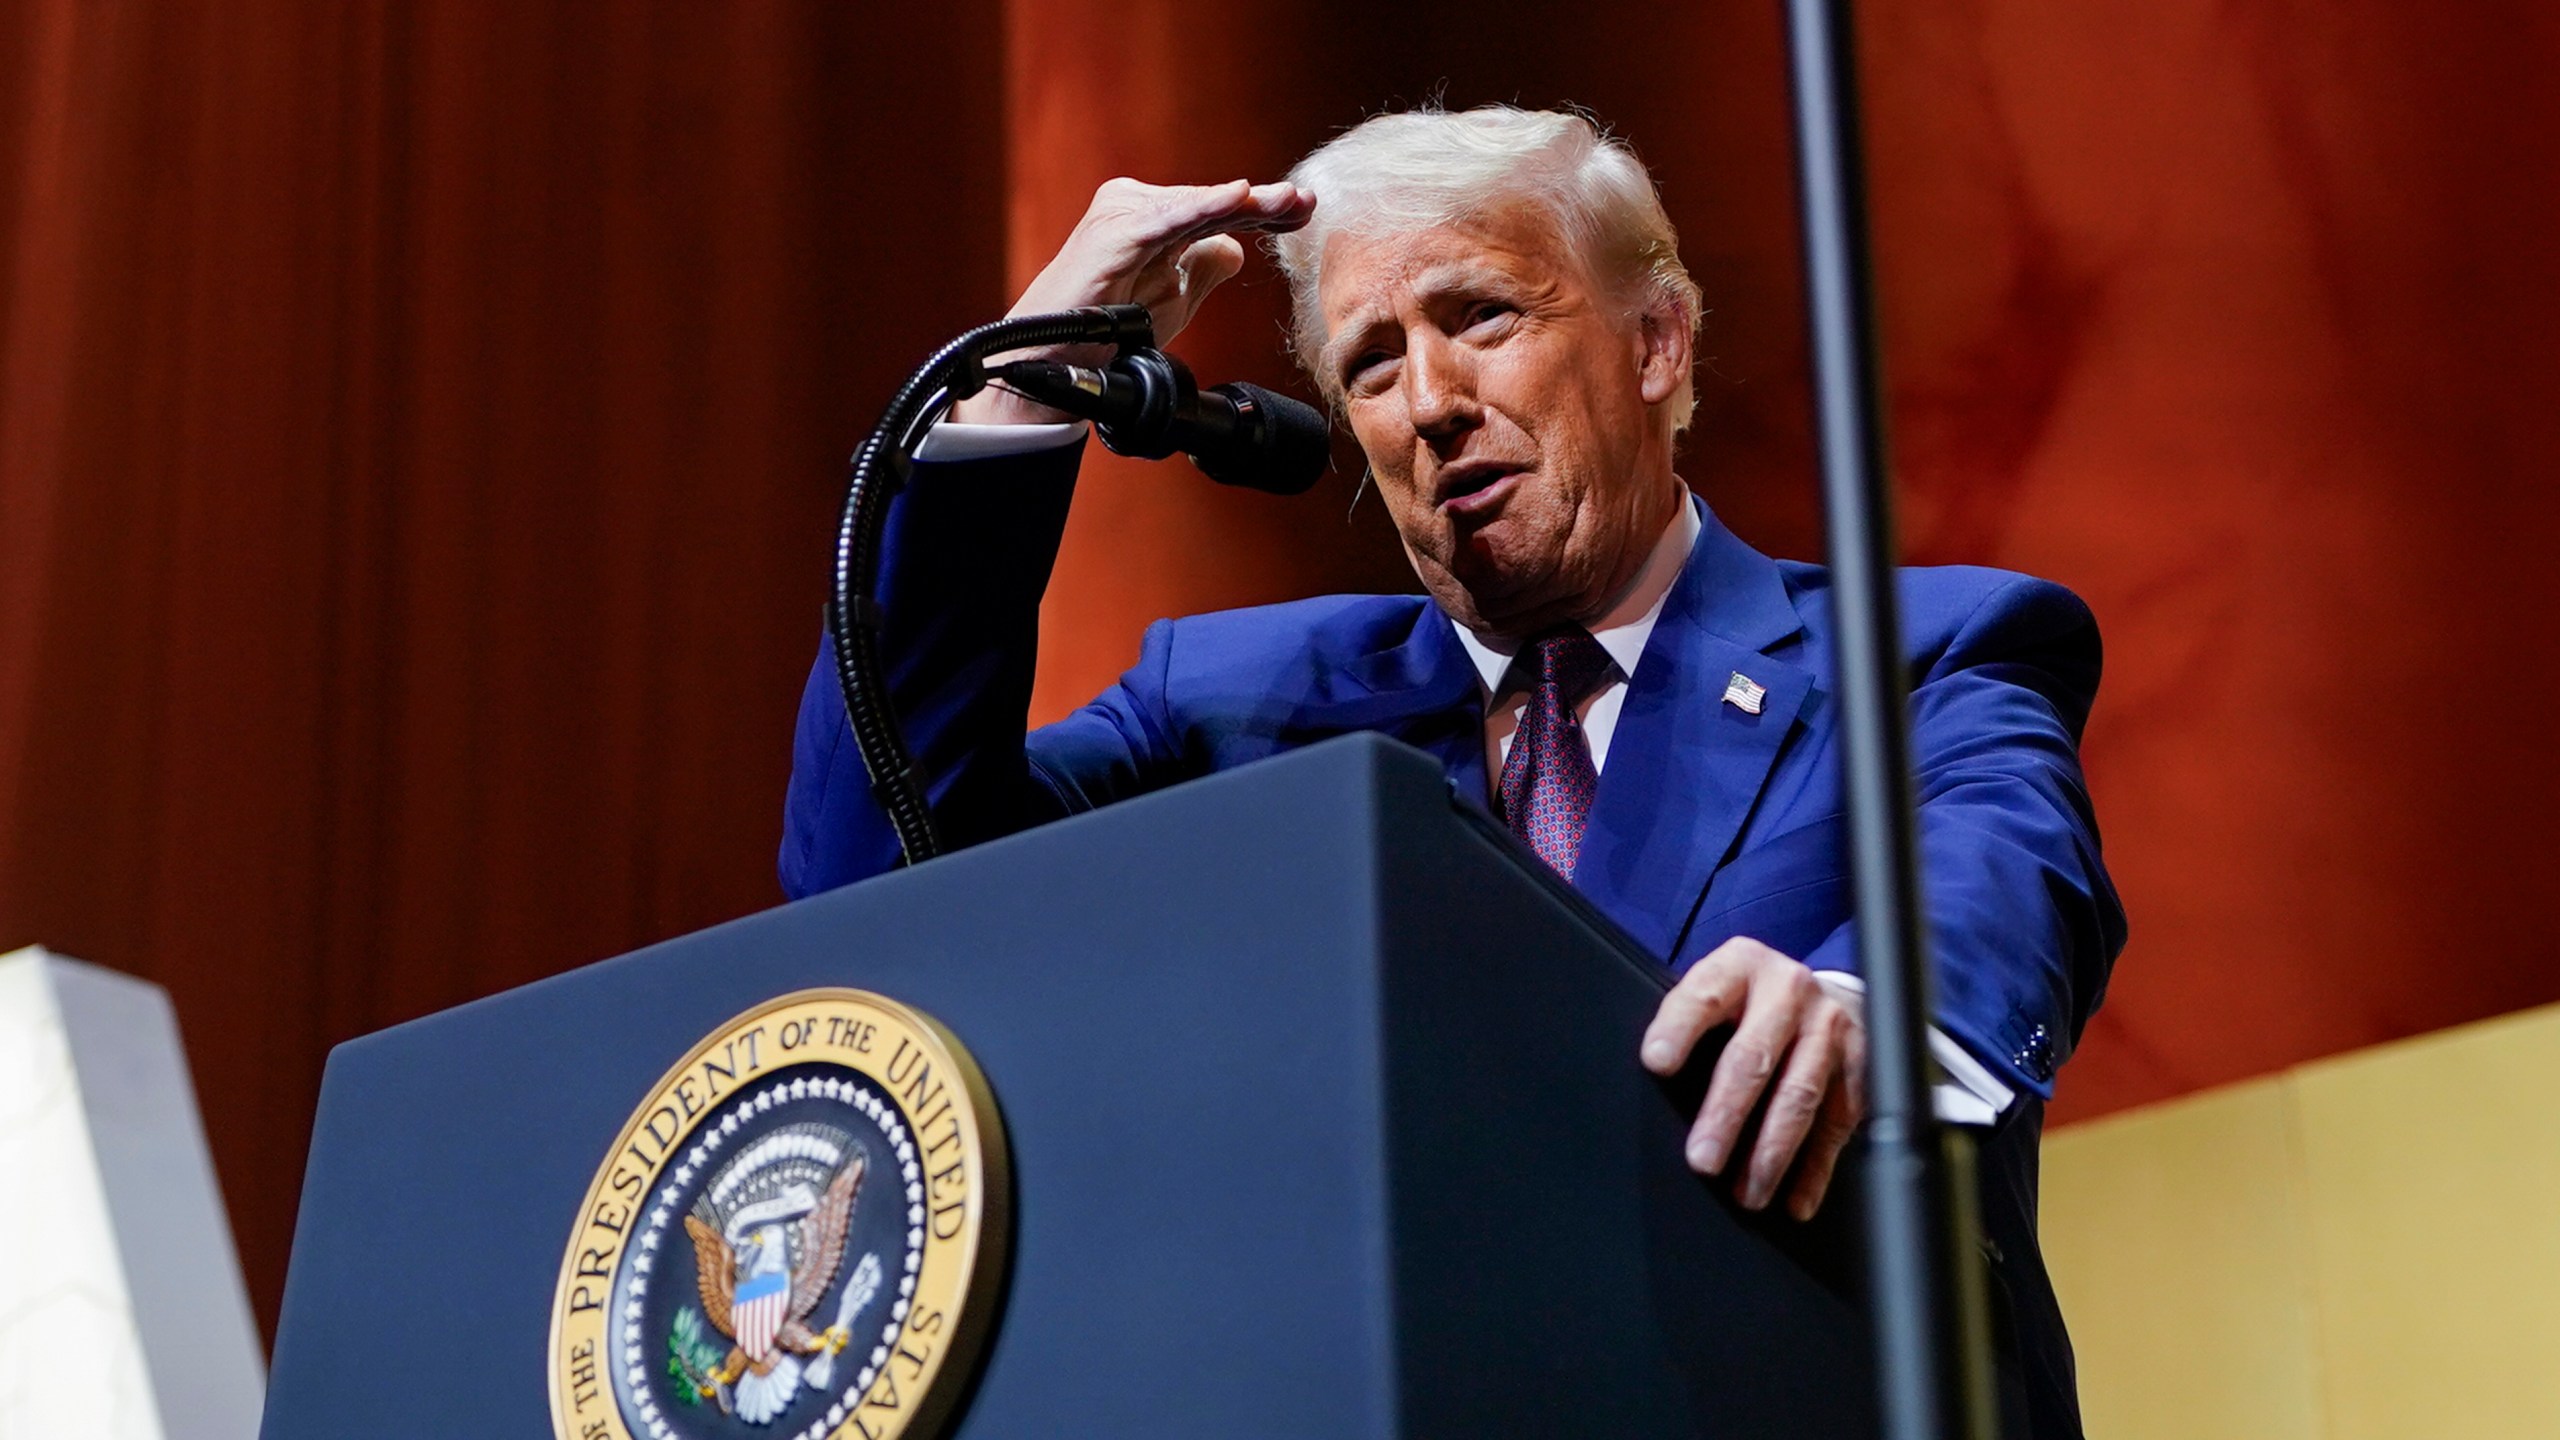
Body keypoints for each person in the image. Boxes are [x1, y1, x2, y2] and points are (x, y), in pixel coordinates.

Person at [781, 105, 2123, 1437]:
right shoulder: (1229, 705)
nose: (1430, 404)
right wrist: (1019, 392)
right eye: (1369, 365)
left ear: (1656, 341)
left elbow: (2009, 874)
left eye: (1482, 316)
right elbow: (880, 885)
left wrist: (1859, 999)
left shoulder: (1920, 657)